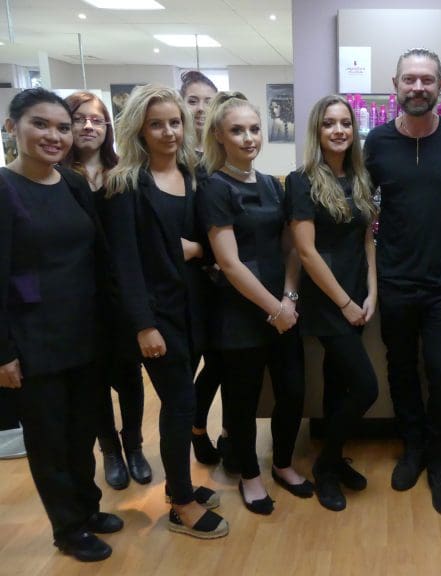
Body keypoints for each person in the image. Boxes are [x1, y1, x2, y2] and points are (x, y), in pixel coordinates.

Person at [0, 88, 122, 561]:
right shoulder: (5, 190)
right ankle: (67, 528)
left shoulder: (71, 184)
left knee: (82, 431)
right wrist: (3, 351)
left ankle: (88, 509)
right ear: (13, 126)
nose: (54, 136)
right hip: (33, 341)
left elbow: (97, 256)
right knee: (49, 440)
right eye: (40, 124)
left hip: (84, 332)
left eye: (62, 127)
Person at [103, 84, 228, 539]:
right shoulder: (124, 186)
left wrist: (196, 250)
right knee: (179, 405)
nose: (168, 131)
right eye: (157, 123)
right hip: (159, 318)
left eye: (174, 122)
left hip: (196, 309)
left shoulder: (194, 176)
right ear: (140, 128)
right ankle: (179, 502)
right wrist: (144, 326)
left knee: (185, 401)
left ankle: (185, 486)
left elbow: (209, 245)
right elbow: (124, 264)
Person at [364, 48, 441, 515]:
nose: (418, 88)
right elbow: (362, 207)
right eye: (409, 79)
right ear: (395, 84)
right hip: (394, 278)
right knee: (402, 369)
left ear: (440, 87)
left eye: (427, 80)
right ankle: (412, 448)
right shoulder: (376, 142)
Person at [198, 91, 311, 513]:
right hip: (239, 316)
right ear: (219, 136)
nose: (248, 138)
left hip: (282, 309)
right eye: (237, 131)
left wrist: (290, 297)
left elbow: (290, 248)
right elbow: (228, 263)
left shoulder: (270, 184)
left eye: (254, 129)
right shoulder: (214, 187)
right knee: (242, 403)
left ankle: (282, 463)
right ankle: (250, 474)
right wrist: (275, 309)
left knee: (293, 392)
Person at [287, 94, 378, 512]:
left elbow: (367, 239)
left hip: (358, 295)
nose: (338, 130)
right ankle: (325, 467)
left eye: (345, 123)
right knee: (365, 387)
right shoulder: (302, 180)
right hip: (328, 302)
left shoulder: (361, 178)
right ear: (317, 131)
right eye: (329, 124)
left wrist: (372, 291)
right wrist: (344, 303)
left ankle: (335, 459)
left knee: (339, 381)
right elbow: (306, 252)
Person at [63, 91, 152, 490]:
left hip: (121, 295)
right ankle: (110, 451)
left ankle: (134, 446)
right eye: (79, 119)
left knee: (129, 377)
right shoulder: (58, 178)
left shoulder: (124, 176)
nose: (88, 126)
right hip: (78, 301)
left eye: (97, 120)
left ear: (107, 128)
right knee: (94, 381)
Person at [179, 69, 226, 467]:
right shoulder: (174, 161)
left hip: (223, 281)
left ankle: (224, 430)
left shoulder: (220, 158)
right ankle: (194, 430)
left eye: (208, 102)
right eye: (192, 101)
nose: (200, 109)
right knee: (190, 368)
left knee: (223, 363)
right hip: (187, 285)